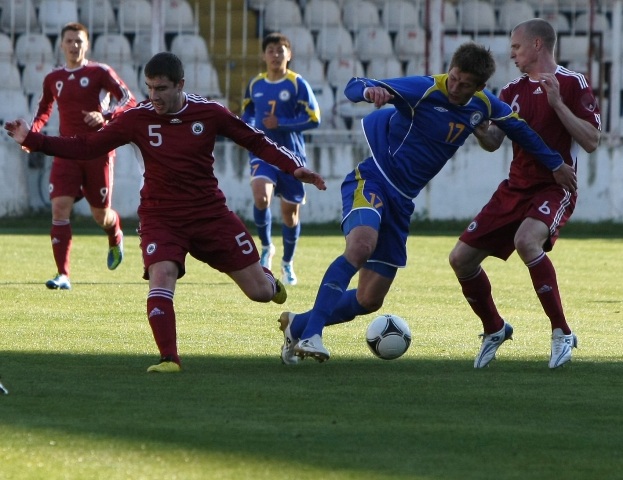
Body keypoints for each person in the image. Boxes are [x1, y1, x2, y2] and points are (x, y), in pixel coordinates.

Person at [5, 52, 326, 373]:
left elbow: (255, 140)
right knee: (162, 275)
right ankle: (169, 359)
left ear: (179, 85)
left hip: (209, 214)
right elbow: (88, 147)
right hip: (161, 216)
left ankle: (268, 280)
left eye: (161, 89)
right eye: (149, 88)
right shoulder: (136, 118)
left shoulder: (209, 112)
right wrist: (34, 140)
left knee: (259, 293)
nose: (154, 96)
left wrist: (294, 168)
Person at [276, 42, 575, 365]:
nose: (456, 87)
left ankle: (297, 325)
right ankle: (313, 336)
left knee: (369, 298)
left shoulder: (483, 105)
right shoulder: (424, 88)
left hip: (403, 202)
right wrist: (370, 93)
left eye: (465, 84)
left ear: (480, 87)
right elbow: (355, 85)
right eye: (454, 78)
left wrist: (556, 164)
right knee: (361, 246)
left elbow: (521, 131)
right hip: (372, 180)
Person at [448, 19, 601, 369]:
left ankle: (562, 332)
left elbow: (591, 141)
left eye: (516, 47)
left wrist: (558, 104)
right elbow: (493, 142)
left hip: (554, 186)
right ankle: (494, 328)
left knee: (526, 241)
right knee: (460, 259)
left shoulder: (571, 83)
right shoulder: (511, 91)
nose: (511, 53)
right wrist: (475, 125)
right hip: (514, 188)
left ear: (536, 45)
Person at [32, 22, 137, 290]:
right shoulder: (53, 78)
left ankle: (114, 234)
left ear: (86, 44)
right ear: (62, 45)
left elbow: (128, 99)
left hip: (97, 151)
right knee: (59, 207)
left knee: (100, 215)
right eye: (69, 41)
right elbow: (44, 109)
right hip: (66, 152)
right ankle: (63, 275)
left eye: (79, 41)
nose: (74, 45)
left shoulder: (100, 72)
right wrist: (32, 133)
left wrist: (105, 116)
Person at [241, 32, 320, 286]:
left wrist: (282, 123)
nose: (276, 55)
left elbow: (314, 118)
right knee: (261, 195)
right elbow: (247, 113)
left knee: (290, 216)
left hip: (292, 158)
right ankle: (266, 247)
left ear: (289, 54)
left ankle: (287, 263)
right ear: (264, 55)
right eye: (271, 50)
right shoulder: (255, 84)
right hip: (263, 153)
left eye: (280, 50)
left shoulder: (297, 84)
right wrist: (250, 128)